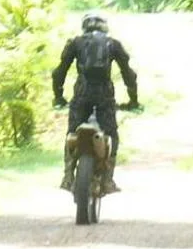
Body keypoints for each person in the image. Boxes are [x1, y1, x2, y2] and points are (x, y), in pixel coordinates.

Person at [52, 12, 140, 194]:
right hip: (104, 96)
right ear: (104, 27)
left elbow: (59, 73)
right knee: (112, 134)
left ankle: (68, 176)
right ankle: (108, 179)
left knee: (72, 133)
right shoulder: (113, 44)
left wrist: (58, 96)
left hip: (81, 95)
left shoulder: (75, 43)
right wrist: (133, 100)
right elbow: (129, 75)